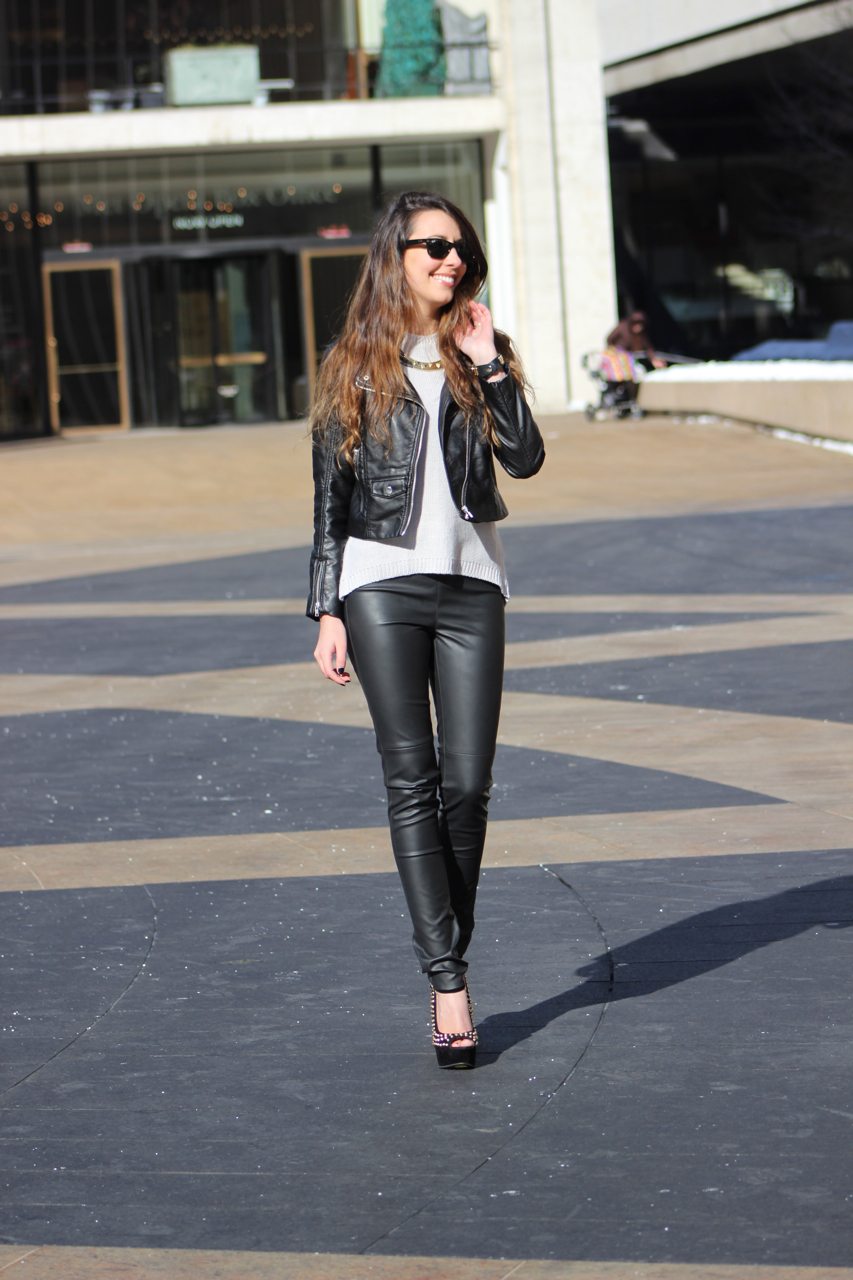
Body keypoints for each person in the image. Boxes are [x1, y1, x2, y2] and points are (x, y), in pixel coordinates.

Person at [307, 190, 544, 1069]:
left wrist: (485, 364)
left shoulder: (479, 348)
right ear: (395, 254)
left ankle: (447, 952)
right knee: (410, 779)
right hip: (380, 584)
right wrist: (326, 605)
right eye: (432, 245)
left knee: (469, 785)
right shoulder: (352, 360)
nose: (450, 259)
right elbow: (329, 494)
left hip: (472, 586)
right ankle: (449, 982)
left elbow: (524, 458)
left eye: (460, 247)